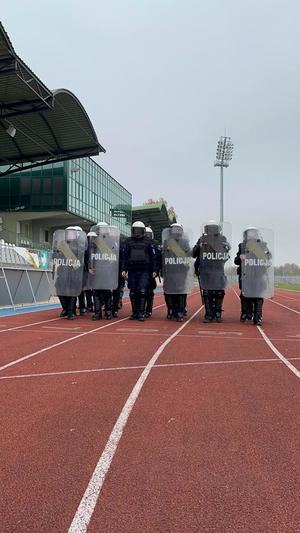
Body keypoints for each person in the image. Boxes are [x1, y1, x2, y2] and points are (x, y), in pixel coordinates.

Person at [193, 221, 231, 323]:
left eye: (213, 228)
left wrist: (224, 246)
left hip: (218, 269)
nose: (211, 230)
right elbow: (194, 254)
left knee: (219, 291)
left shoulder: (222, 239)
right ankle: (209, 314)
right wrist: (199, 246)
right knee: (207, 292)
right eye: (209, 228)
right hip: (205, 270)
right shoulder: (201, 239)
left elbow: (227, 250)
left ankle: (218, 313)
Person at [234, 227, 273, 326]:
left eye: (252, 234)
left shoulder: (263, 246)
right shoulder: (242, 246)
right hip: (246, 275)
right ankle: (246, 312)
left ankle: (258, 317)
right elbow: (236, 261)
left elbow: (268, 258)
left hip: (259, 275)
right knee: (245, 295)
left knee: (258, 296)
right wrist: (240, 257)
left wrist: (258, 252)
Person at [122, 221, 157, 321]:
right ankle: (134, 313)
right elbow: (125, 256)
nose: (136, 232)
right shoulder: (128, 241)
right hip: (132, 270)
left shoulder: (148, 241)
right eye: (135, 229)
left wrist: (154, 270)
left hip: (144, 270)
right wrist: (124, 269)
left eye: (138, 229)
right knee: (133, 292)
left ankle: (141, 313)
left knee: (142, 291)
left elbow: (153, 256)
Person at [52, 226, 87, 320]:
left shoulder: (79, 245)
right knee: (59, 289)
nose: (69, 234)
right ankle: (65, 308)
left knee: (72, 292)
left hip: (74, 271)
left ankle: (71, 311)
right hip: (63, 271)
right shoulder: (62, 244)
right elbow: (55, 258)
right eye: (67, 232)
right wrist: (56, 251)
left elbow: (80, 257)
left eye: (71, 233)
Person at [88, 222, 120, 320]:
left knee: (107, 291)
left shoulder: (112, 240)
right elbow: (91, 255)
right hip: (97, 269)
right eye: (99, 229)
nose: (100, 230)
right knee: (96, 291)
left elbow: (115, 255)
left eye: (101, 229)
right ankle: (98, 313)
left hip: (107, 269)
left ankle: (108, 311)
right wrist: (91, 266)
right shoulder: (95, 240)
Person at [162, 223, 193, 322]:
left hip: (180, 271)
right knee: (169, 292)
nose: (176, 232)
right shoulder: (166, 242)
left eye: (178, 230)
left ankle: (179, 311)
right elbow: (162, 257)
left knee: (181, 292)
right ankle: (171, 310)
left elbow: (188, 256)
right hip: (170, 271)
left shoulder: (184, 242)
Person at [144, 226, 161, 318]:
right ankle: (140, 309)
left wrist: (156, 270)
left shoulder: (155, 244)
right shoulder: (139, 242)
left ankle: (149, 310)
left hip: (150, 271)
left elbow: (158, 258)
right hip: (142, 270)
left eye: (148, 234)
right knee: (139, 291)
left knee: (149, 292)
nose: (147, 236)